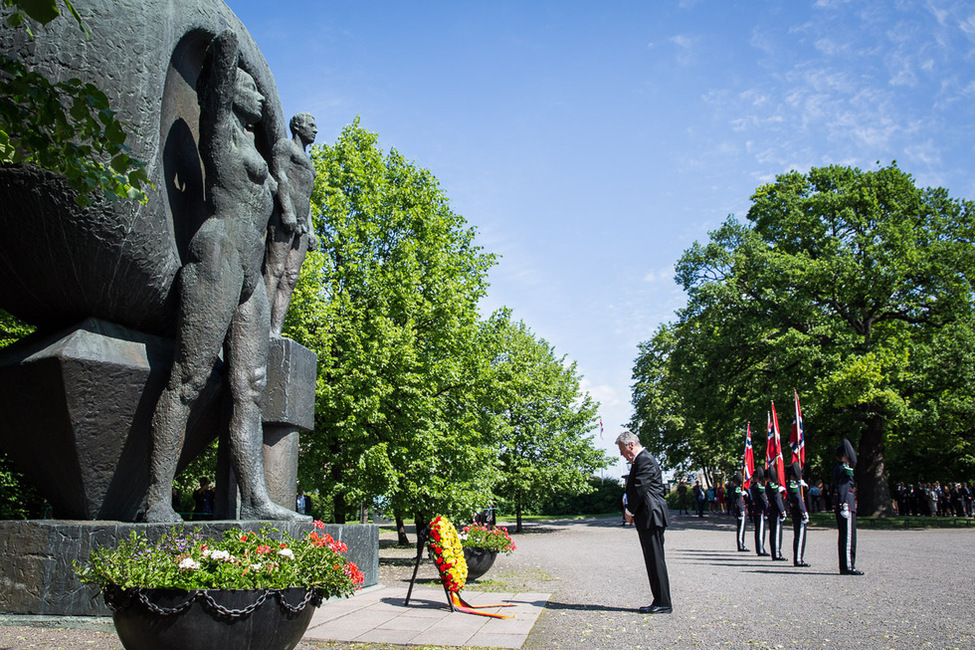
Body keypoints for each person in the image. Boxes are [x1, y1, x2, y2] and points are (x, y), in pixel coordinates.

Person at [144, 31, 305, 523]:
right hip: (218, 254)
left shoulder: (254, 145)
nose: (259, 96)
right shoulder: (219, 131)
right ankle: (156, 499)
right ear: (228, 93)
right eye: (249, 89)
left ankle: (256, 499)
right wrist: (230, 49)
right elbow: (217, 89)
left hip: (249, 273)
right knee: (188, 380)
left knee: (251, 387)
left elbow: (277, 145)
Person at [264, 112, 318, 337]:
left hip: (302, 225)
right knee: (274, 270)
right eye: (311, 126)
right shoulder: (285, 146)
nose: (315, 130)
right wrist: (286, 210)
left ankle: (275, 329)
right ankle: (259, 325)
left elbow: (307, 199)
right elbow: (280, 176)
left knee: (290, 277)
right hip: (285, 219)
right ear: (298, 126)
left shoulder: (309, 161)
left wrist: (312, 230)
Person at [616, 431, 672, 614]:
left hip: (651, 514)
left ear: (631, 444)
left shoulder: (644, 460)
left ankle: (663, 602)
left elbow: (640, 488)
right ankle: (660, 599)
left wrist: (629, 510)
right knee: (653, 559)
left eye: (622, 449)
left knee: (655, 560)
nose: (622, 454)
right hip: (649, 515)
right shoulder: (640, 460)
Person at [832, 438, 863, 575]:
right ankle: (848, 566)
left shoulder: (839, 468)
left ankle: (845, 565)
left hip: (844, 504)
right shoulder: (844, 469)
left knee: (845, 536)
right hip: (846, 505)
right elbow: (843, 487)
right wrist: (844, 504)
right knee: (849, 537)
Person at [786, 459, 810, 567]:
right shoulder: (792, 485)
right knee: (800, 536)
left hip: (796, 512)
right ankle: (798, 559)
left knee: (799, 535)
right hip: (798, 512)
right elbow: (798, 500)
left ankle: (799, 557)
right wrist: (804, 513)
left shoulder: (794, 485)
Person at [766, 466, 787, 561]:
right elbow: (778, 500)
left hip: (771, 511)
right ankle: (777, 554)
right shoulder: (773, 486)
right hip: (776, 511)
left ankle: (774, 552)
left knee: (773, 533)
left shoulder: (768, 486)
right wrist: (782, 511)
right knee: (777, 533)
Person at [749, 467, 770, 556]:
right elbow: (764, 501)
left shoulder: (753, 486)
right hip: (760, 510)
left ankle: (759, 548)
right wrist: (767, 509)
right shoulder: (759, 487)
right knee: (760, 531)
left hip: (755, 510)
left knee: (758, 530)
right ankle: (760, 549)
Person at [730, 477, 748, 552]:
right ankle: (740, 545)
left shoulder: (738, 488)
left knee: (742, 528)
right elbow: (738, 500)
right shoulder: (737, 489)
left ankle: (742, 544)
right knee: (740, 529)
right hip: (740, 510)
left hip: (741, 510)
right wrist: (741, 510)